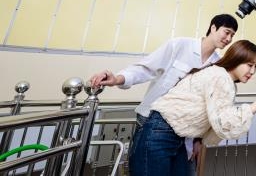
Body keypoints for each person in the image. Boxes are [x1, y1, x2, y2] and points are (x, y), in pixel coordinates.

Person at [89, 13, 238, 171]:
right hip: (153, 122)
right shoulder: (179, 45)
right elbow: (145, 69)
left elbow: (205, 105)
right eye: (226, 32)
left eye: (232, 35)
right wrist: (117, 79)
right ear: (213, 27)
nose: (228, 39)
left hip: (185, 133)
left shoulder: (218, 65)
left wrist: (197, 141)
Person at [130, 39, 256, 175]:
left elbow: (215, 119)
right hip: (160, 132)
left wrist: (198, 141)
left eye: (255, 67)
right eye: (250, 65)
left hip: (174, 136)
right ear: (236, 59)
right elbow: (224, 122)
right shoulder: (219, 76)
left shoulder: (222, 78)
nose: (252, 72)